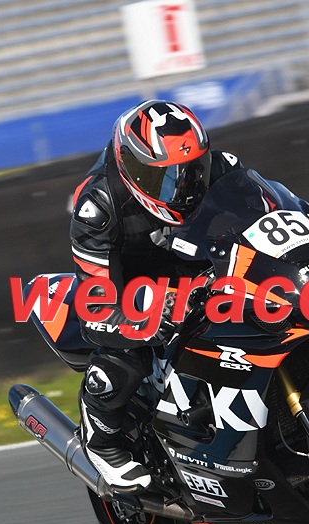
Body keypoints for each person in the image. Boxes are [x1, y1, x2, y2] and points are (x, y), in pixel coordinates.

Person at [69, 100, 243, 493]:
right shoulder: (98, 206)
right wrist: (139, 319)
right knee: (130, 344)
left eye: (192, 170)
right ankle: (102, 439)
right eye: (165, 177)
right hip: (130, 281)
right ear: (133, 169)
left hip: (194, 262)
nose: (183, 187)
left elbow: (272, 213)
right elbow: (95, 305)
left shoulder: (222, 169)